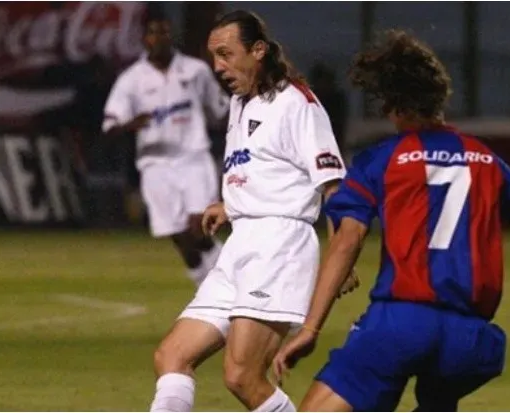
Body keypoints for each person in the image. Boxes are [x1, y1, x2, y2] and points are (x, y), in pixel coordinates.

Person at [273, 29, 510, 412]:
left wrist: (310, 329)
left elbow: (348, 239)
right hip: (469, 341)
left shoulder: (382, 159)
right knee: (438, 400)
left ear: (393, 105)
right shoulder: (487, 160)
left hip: (399, 325)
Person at [149, 10, 356, 412]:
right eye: (213, 57)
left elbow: (332, 185)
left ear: (258, 50)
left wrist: (340, 254)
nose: (218, 67)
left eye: (226, 54)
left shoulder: (297, 103)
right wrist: (232, 205)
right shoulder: (240, 103)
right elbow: (264, 168)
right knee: (171, 356)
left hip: (279, 247)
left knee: (242, 376)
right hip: (240, 245)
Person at [101, 10, 230, 285]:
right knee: (180, 236)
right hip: (155, 165)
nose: (159, 38)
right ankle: (207, 286)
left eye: (164, 32)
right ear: (143, 38)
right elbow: (109, 124)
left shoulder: (195, 71)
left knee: (199, 227)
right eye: (153, 33)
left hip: (194, 158)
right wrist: (130, 124)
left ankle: (231, 285)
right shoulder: (131, 79)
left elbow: (221, 109)